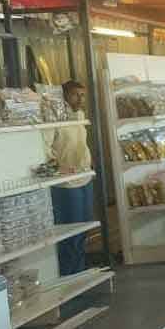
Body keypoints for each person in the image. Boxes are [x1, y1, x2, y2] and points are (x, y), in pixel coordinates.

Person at [45, 80, 94, 275]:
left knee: (84, 228)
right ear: (63, 96)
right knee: (70, 232)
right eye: (75, 95)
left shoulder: (79, 115)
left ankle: (79, 273)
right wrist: (58, 167)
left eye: (82, 95)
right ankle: (69, 276)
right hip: (66, 184)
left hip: (85, 178)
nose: (80, 99)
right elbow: (45, 148)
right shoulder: (53, 118)